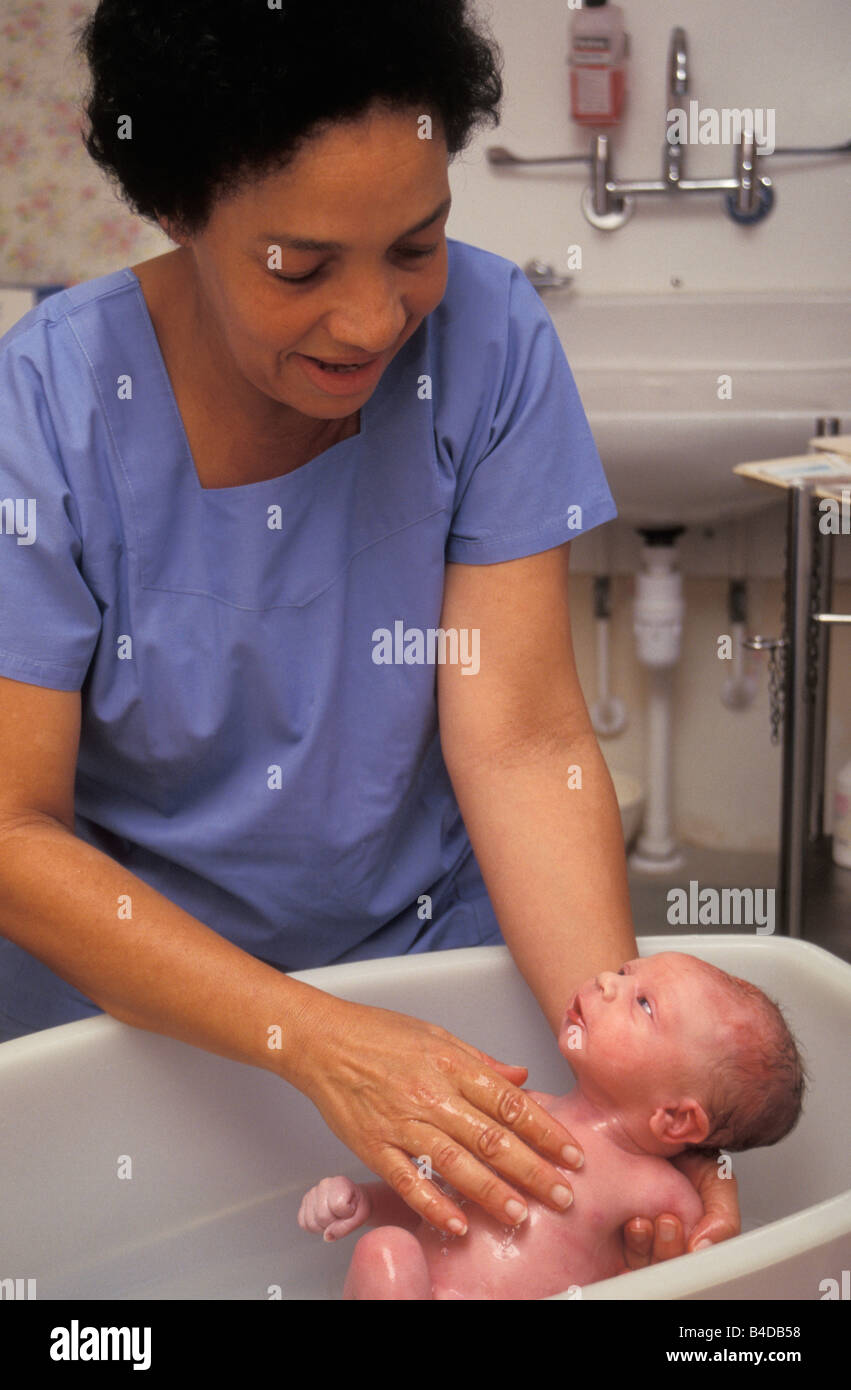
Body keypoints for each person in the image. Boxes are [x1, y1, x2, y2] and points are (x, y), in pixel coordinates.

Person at [0, 0, 739, 1263]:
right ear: (179, 214)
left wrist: (632, 1099)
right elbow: (14, 826)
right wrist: (313, 1041)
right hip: (146, 1006)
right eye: (298, 266)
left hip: (425, 956)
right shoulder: (51, 409)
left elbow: (518, 742)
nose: (372, 321)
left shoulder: (492, 338)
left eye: (416, 244)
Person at [298, 952, 806, 1299]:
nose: (608, 981)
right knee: (385, 1249)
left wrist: (710, 1173)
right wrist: (366, 1201)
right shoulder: (512, 1108)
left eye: (644, 1003)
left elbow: (709, 1286)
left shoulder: (660, 1193)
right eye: (626, 971)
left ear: (675, 1117)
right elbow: (434, 1192)